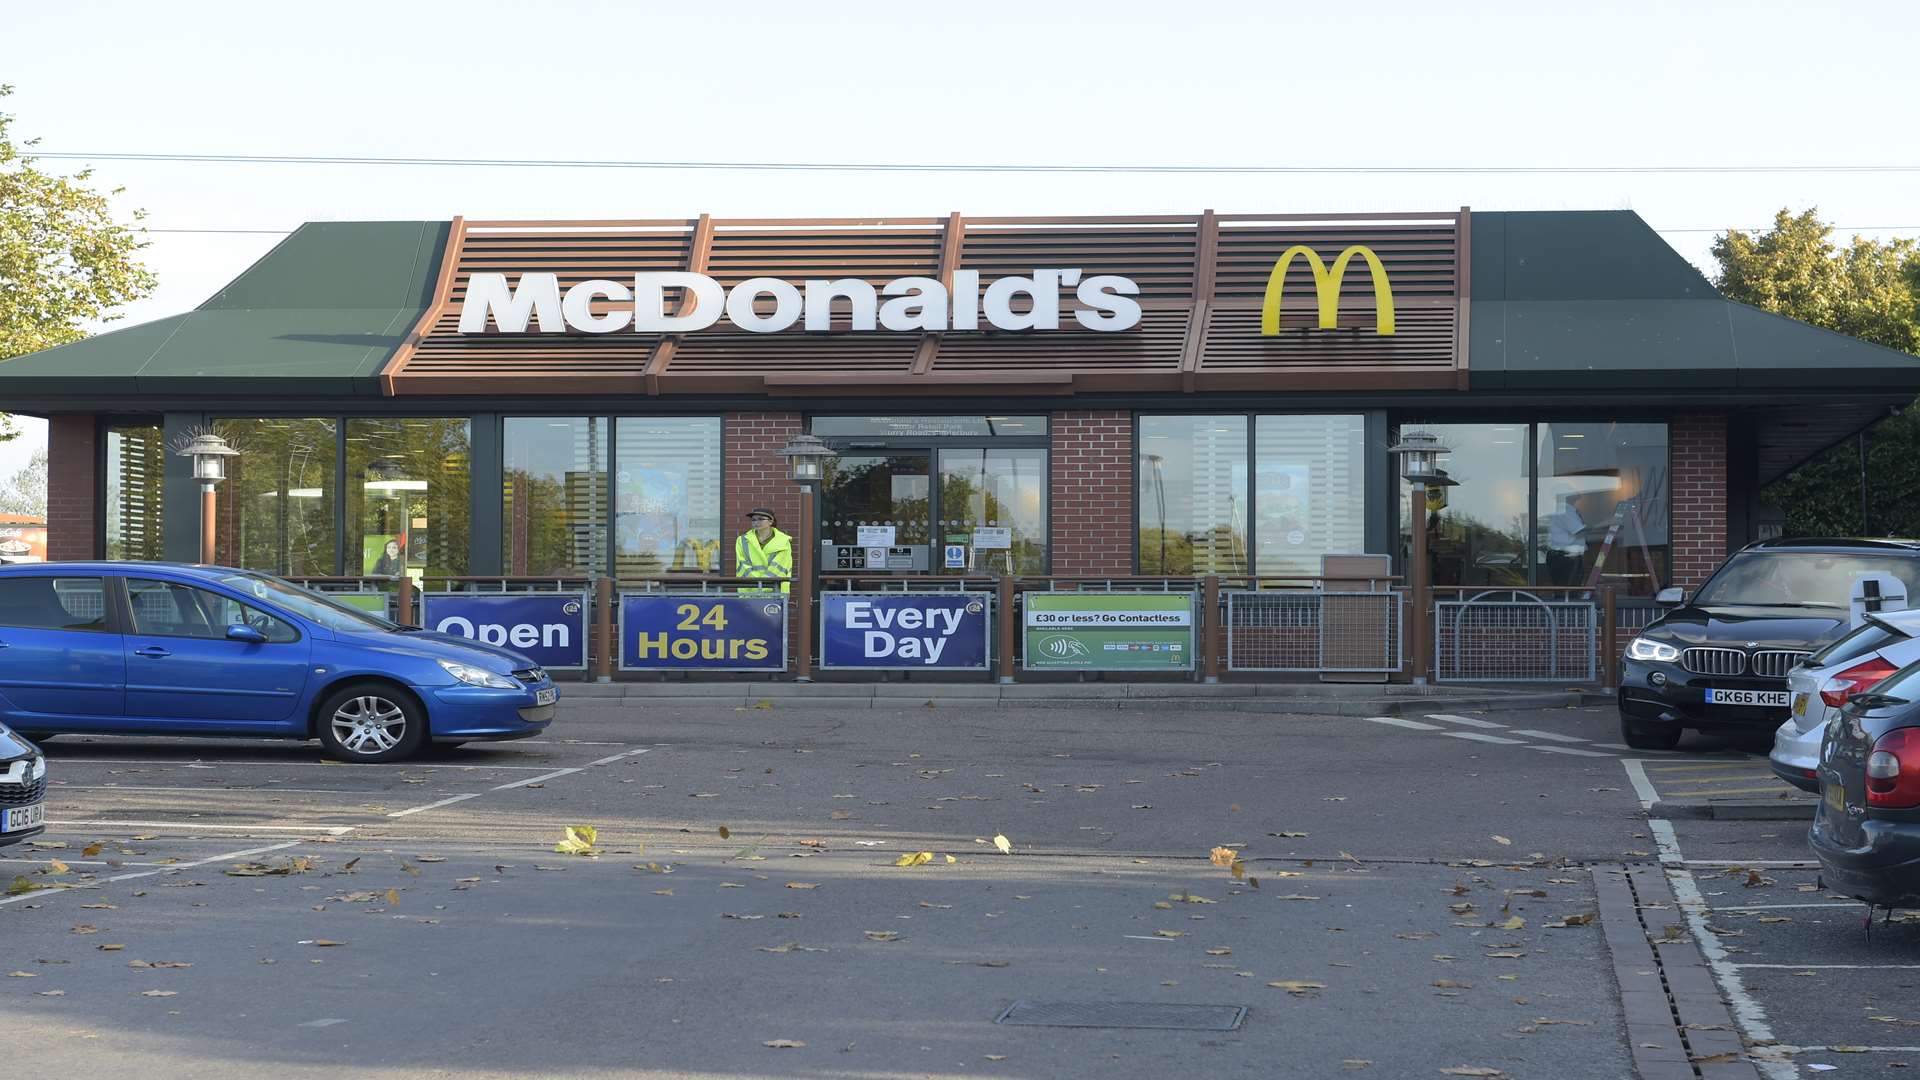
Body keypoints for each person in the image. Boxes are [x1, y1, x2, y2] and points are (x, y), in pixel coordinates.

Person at [734, 508, 792, 593]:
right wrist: (758, 586)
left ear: (771, 522)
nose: (756, 522)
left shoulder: (783, 541)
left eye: (761, 519)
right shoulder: (742, 540)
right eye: (753, 520)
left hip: (775, 591)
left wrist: (763, 587)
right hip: (749, 591)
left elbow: (779, 568)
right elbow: (743, 565)